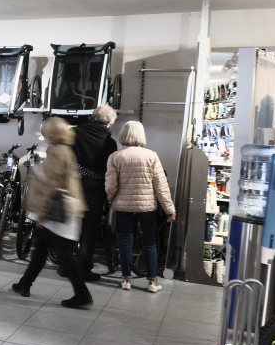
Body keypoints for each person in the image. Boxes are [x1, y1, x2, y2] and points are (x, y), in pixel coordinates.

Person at [13, 117, 91, 308]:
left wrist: (42, 213)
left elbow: (52, 184)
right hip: (65, 208)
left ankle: (82, 294)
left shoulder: (56, 151)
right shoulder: (65, 149)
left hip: (56, 212)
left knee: (64, 255)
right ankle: (24, 284)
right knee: (41, 251)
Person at [106, 120, 176, 293]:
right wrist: (170, 209)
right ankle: (152, 281)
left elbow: (110, 185)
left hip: (123, 206)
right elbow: (161, 186)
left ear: (124, 134)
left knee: (125, 240)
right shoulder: (151, 156)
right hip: (147, 207)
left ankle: (126, 279)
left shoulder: (115, 157)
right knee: (150, 242)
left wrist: (111, 199)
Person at [70, 104, 118, 281]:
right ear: (109, 124)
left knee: (71, 224)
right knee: (90, 228)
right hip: (95, 188)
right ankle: (83, 268)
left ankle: (66, 265)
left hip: (72, 183)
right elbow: (109, 170)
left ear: (92, 117)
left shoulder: (74, 133)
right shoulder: (110, 143)